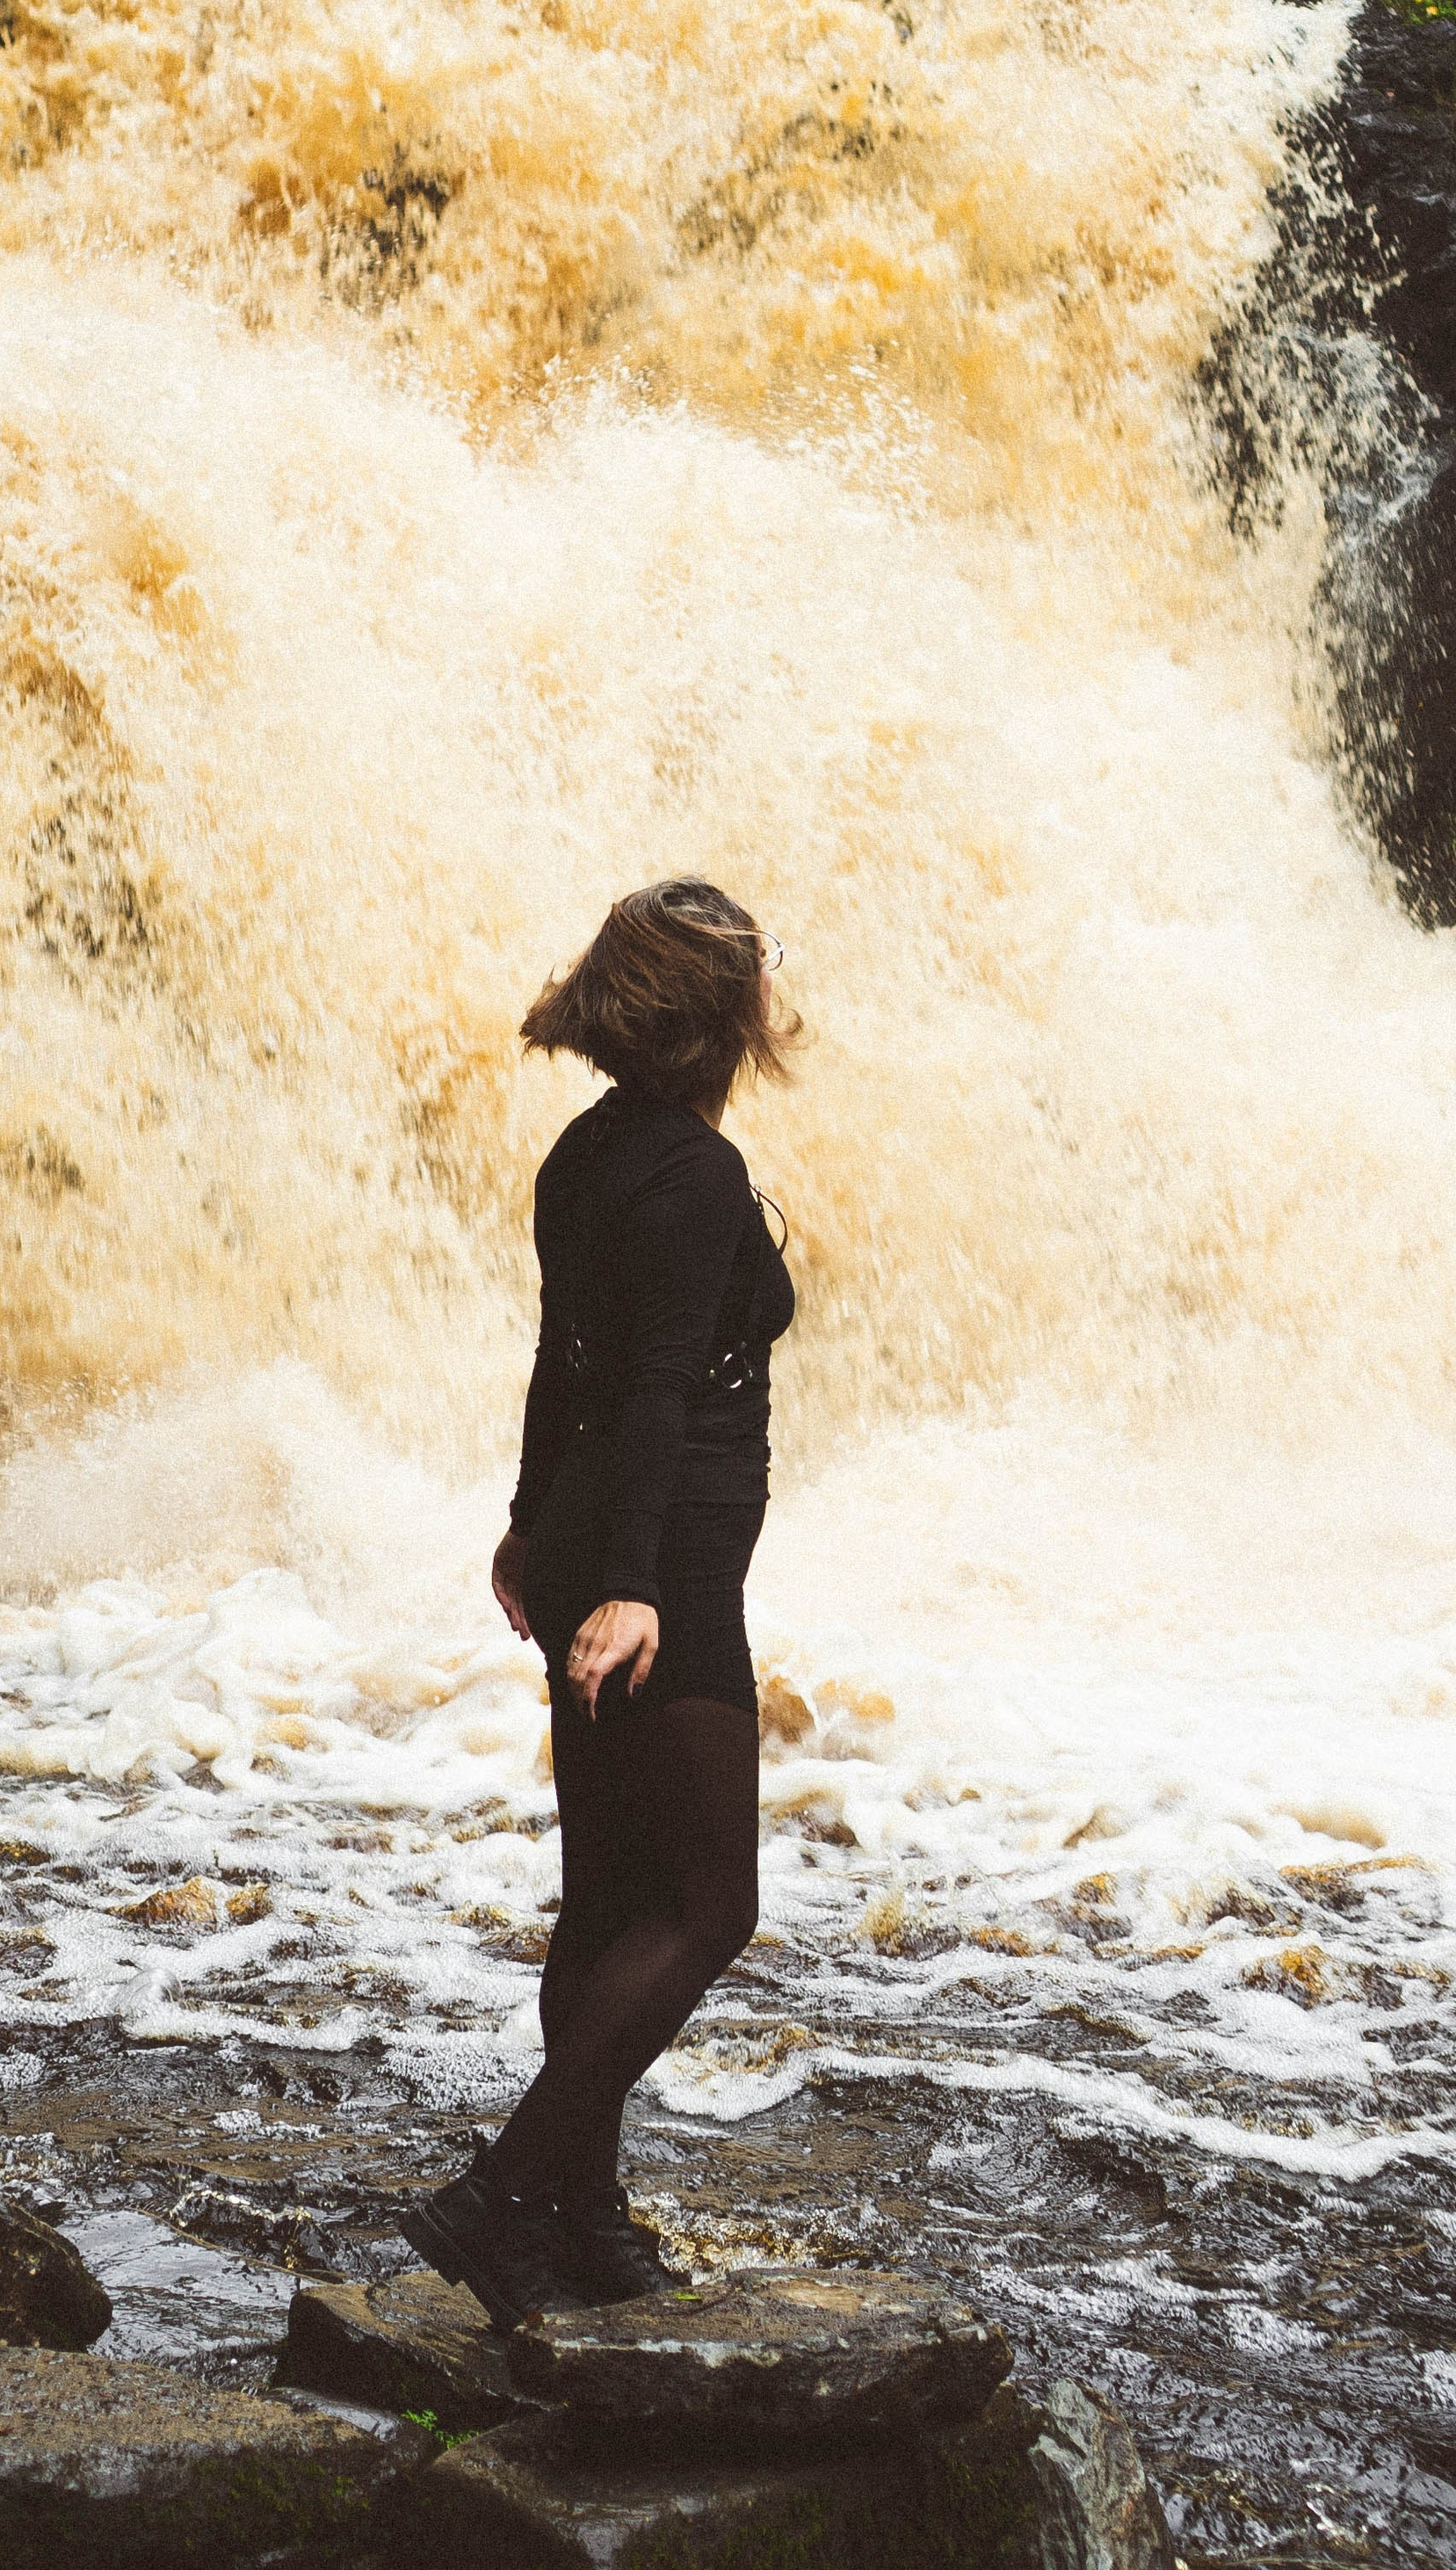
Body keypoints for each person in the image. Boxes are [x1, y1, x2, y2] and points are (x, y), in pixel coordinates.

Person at [399, 878, 798, 2331]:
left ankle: (577, 2219)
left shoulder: (587, 1154)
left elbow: (559, 1364)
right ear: (719, 1019)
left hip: (592, 1537)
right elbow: (635, 1391)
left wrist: (526, 1529)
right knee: (709, 1905)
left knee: (610, 1900)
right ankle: (506, 2197)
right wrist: (629, 1587)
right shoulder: (694, 1178)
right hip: (661, 1558)